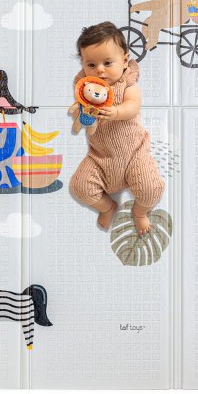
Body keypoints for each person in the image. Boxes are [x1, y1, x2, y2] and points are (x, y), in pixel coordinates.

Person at [68, 22, 164, 235]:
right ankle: (107, 206)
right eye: (91, 64)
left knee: (151, 190)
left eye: (107, 62)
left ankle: (139, 212)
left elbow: (133, 105)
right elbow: (80, 113)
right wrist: (79, 115)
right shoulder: (86, 89)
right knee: (79, 187)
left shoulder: (127, 83)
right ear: (83, 65)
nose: (100, 70)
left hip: (134, 154)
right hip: (100, 157)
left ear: (124, 61)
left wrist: (117, 112)